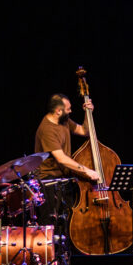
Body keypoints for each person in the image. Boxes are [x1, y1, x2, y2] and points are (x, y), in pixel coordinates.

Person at [34, 93, 99, 225]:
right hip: (49, 181)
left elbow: (84, 131)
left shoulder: (63, 120)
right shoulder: (47, 130)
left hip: (63, 178)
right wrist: (87, 171)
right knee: (52, 223)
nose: (70, 111)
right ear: (58, 111)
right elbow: (61, 158)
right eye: (68, 109)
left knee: (68, 222)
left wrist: (88, 113)